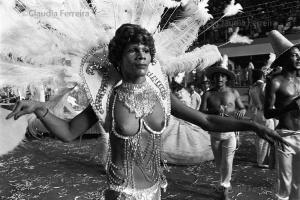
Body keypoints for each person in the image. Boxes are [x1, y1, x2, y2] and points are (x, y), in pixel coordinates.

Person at [6, 24, 287, 200]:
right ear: (118, 58)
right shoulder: (106, 97)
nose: (141, 54)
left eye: (145, 49)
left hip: (156, 190)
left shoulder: (162, 94)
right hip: (121, 194)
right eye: (132, 50)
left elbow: (206, 120)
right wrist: (41, 109)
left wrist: (253, 126)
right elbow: (68, 132)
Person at [201, 59, 247, 200]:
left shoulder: (233, 92)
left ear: (226, 78)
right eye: (216, 76)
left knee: (228, 161)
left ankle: (224, 187)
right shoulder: (208, 94)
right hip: (215, 133)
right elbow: (201, 111)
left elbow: (242, 108)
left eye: (222, 76)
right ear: (213, 78)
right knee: (220, 164)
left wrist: (242, 112)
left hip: (230, 132)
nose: (219, 78)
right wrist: (214, 111)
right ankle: (224, 182)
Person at [264, 30, 300, 200]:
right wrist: (290, 106)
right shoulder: (275, 82)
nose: (299, 58)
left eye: (299, 55)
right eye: (294, 55)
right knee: (284, 182)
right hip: (284, 135)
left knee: (298, 183)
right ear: (285, 59)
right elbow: (267, 113)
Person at [248, 69, 275, 168]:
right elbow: (269, 100)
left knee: (259, 137)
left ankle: (260, 160)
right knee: (268, 137)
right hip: (265, 114)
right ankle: (264, 161)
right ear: (262, 76)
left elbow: (251, 105)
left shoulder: (251, 88)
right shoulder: (263, 86)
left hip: (257, 114)